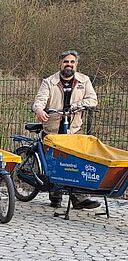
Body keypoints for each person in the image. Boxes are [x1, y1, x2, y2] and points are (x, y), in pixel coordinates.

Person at [32, 50, 100, 210]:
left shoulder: (84, 81)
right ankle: (55, 195)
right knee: (54, 163)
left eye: (72, 62)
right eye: (66, 62)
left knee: (76, 163)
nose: (69, 65)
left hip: (73, 129)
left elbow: (93, 99)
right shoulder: (49, 81)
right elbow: (40, 100)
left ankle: (79, 198)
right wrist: (40, 110)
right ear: (60, 63)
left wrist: (78, 106)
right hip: (53, 130)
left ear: (76, 64)